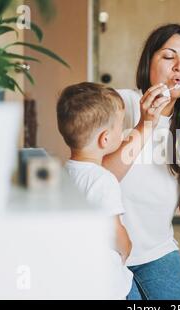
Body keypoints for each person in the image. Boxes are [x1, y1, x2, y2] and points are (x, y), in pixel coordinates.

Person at [103, 24, 180, 300]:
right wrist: (146, 125)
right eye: (169, 57)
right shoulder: (118, 103)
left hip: (157, 253)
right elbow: (99, 177)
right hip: (106, 251)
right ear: (148, 62)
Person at [56, 82, 136, 299]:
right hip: (108, 281)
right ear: (105, 139)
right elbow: (114, 230)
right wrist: (127, 246)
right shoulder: (103, 180)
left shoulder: (64, 173)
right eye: (121, 125)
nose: (123, 130)